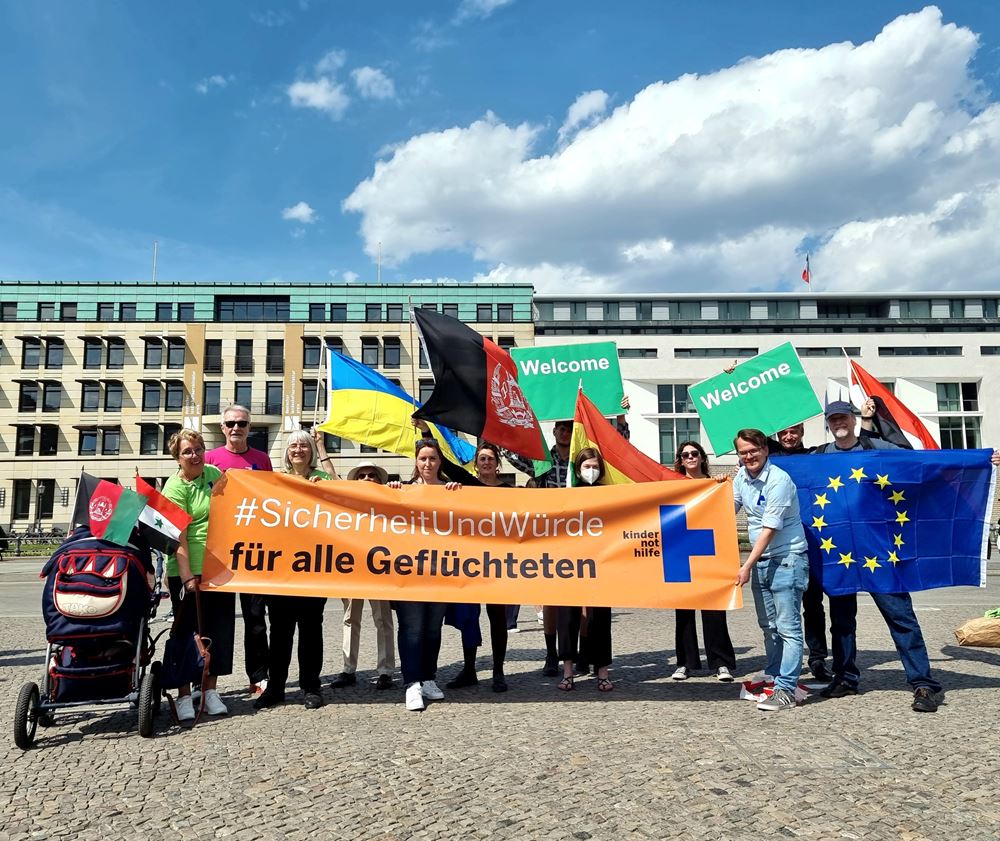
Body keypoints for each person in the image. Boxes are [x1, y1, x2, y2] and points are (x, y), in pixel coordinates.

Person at [810, 400, 1000, 712]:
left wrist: (979, 459)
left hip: (880, 553)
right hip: (839, 555)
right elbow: (783, 467)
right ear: (829, 424)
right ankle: (845, 677)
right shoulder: (818, 456)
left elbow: (921, 465)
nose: (838, 423)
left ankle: (923, 683)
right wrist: (746, 468)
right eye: (833, 419)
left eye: (843, 416)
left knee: (902, 618)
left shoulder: (878, 448)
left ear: (853, 419)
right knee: (841, 622)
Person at [506, 397, 630, 678]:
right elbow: (511, 453)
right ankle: (553, 655)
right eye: (560, 428)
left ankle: (583, 653)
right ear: (554, 432)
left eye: (568, 428)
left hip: (587, 540)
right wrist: (510, 419)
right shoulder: (543, 463)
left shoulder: (582, 463)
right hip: (554, 540)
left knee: (586, 603)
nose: (564, 432)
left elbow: (618, 450)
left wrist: (620, 418)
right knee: (552, 601)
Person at [162, 429, 236, 721]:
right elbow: (177, 536)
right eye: (187, 452)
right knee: (185, 633)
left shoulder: (213, 473)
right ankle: (182, 696)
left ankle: (210, 690)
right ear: (177, 458)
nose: (194, 456)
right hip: (187, 566)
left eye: (198, 449)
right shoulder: (174, 489)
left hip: (218, 565)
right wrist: (187, 575)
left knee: (218, 630)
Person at [732, 428, 809, 712]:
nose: (749, 456)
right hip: (762, 560)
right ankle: (774, 672)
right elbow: (729, 508)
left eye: (753, 450)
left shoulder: (779, 480)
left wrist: (745, 566)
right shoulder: (741, 476)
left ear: (765, 450)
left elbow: (769, 529)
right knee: (769, 627)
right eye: (743, 452)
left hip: (787, 558)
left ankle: (787, 689)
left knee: (789, 628)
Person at [254, 431, 330, 710]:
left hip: (314, 568)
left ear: (311, 450)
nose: (298, 450)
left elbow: (346, 506)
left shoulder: (323, 479)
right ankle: (275, 688)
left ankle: (311, 686)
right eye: (293, 446)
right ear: (286, 453)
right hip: (281, 568)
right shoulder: (276, 482)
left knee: (311, 630)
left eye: (303, 445)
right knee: (280, 631)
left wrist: (326, 489)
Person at [386, 439, 461, 711]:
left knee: (432, 629)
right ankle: (411, 683)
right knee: (412, 629)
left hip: (441, 572)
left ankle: (429, 677)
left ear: (439, 462)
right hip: (410, 573)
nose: (427, 463)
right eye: (423, 459)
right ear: (415, 462)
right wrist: (393, 492)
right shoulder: (404, 490)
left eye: (432, 458)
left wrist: (459, 493)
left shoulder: (450, 490)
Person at [204, 404, 273, 696]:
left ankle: (258, 676)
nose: (236, 428)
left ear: (249, 427)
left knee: (256, 618)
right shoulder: (208, 458)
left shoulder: (262, 459)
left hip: (252, 548)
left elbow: (272, 500)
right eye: (231, 423)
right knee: (215, 620)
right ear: (222, 428)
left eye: (242, 423)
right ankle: (206, 682)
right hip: (217, 548)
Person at [670, 441, 736, 683]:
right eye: (685, 454)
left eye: (694, 453)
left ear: (701, 457)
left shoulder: (714, 483)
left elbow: (729, 510)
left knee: (714, 611)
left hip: (708, 550)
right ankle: (684, 663)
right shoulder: (671, 485)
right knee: (684, 613)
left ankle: (721, 663)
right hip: (679, 552)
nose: (690, 457)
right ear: (680, 459)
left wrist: (722, 486)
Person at [329, 460, 397, 692]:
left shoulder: (390, 502)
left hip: (380, 569)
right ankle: (348, 669)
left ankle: (386, 670)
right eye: (362, 475)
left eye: (371, 475)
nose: (367, 478)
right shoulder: (347, 504)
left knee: (383, 620)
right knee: (350, 618)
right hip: (352, 569)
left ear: (379, 480)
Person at [556, 448, 613, 693]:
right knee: (567, 616)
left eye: (594, 466)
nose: (591, 470)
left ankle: (602, 671)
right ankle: (568, 671)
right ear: (577, 470)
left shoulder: (609, 493)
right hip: (570, 563)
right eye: (586, 466)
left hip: (601, 562)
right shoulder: (567, 494)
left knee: (600, 617)